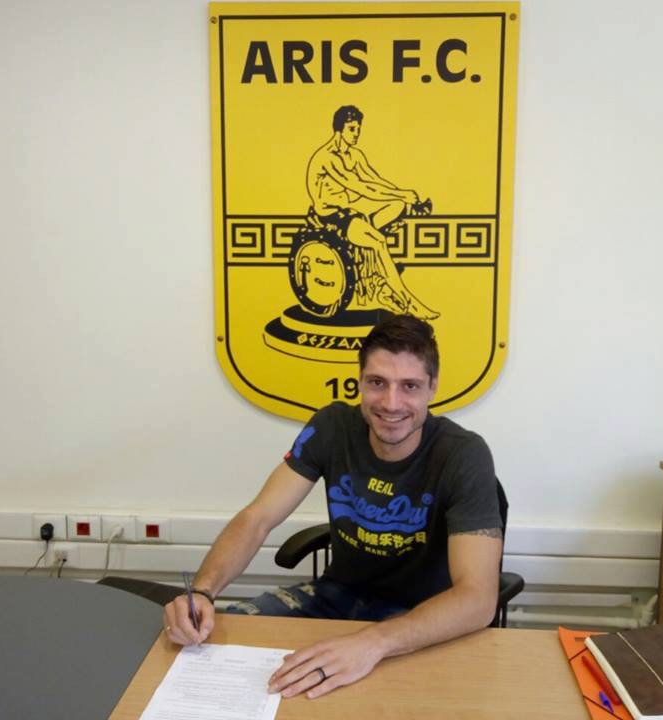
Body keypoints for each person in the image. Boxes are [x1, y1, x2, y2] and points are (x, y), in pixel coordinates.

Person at [163, 315, 502, 699]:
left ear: (432, 388)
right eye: (377, 383)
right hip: (334, 598)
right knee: (208, 653)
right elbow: (257, 518)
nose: (391, 403)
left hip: (418, 619)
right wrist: (203, 592)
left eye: (409, 386)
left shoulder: (463, 454)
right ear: (359, 381)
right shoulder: (332, 427)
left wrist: (373, 641)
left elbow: (478, 599)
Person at [304, 105, 438, 320]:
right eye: (352, 129)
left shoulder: (355, 155)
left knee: (397, 205)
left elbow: (375, 180)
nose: (356, 134)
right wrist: (402, 194)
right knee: (378, 242)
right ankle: (407, 301)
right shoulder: (327, 157)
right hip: (331, 216)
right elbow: (360, 187)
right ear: (339, 130)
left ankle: (378, 274)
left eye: (358, 129)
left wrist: (400, 196)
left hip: (352, 210)